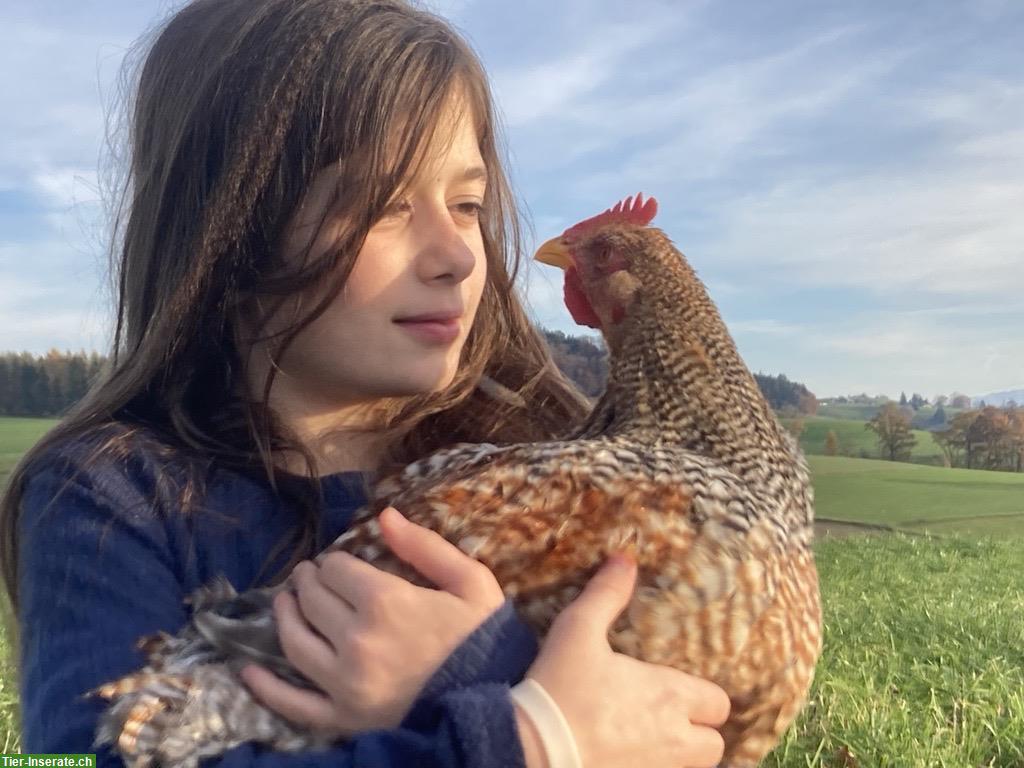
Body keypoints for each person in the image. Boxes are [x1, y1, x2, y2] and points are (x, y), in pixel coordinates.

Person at [0, 1, 731, 766]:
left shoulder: (538, 472)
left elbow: (655, 726)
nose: (457, 253)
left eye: (468, 204)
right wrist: (521, 737)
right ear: (230, 229)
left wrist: (495, 672)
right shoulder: (112, 500)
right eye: (383, 205)